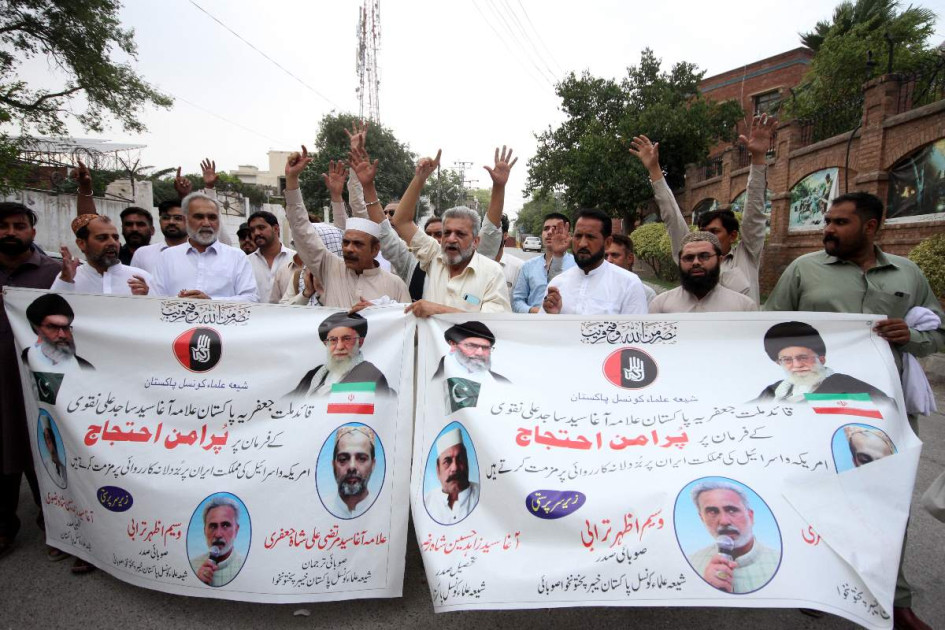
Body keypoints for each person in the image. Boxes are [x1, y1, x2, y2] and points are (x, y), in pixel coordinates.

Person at [764, 191, 945, 630]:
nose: (828, 229)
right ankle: (821, 584)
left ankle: (895, 600)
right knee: (817, 491)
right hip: (814, 407)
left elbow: (938, 332)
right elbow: (766, 327)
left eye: (840, 223)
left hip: (886, 409)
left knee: (888, 497)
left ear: (871, 227)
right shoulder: (803, 270)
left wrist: (912, 338)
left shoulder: (908, 273)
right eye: (827, 221)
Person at [629, 114, 775, 302]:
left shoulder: (746, 255)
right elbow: (672, 218)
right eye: (703, 231)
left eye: (714, 231)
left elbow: (754, 211)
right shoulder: (691, 255)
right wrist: (654, 169)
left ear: (732, 235)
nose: (706, 236)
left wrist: (758, 158)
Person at [0, 202, 61, 559]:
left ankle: (54, 524)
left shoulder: (53, 274)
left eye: (18, 226)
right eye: (4, 226)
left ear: (31, 233)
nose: (10, 233)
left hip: (41, 379)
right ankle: (4, 527)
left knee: (46, 446)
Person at [282, 148, 410, 308]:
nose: (349, 249)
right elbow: (302, 230)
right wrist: (292, 180)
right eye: (346, 242)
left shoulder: (396, 285)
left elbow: (406, 327)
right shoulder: (329, 268)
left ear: (375, 249)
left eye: (358, 244)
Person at [390, 149, 511, 316]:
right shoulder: (434, 255)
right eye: (446, 233)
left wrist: (438, 310)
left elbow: (494, 322)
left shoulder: (491, 272)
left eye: (460, 234)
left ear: (475, 242)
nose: (451, 239)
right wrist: (420, 178)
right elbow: (401, 221)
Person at [151, 191, 258, 301]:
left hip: (221, 318)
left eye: (212, 217)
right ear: (185, 220)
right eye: (199, 217)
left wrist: (210, 303)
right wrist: (181, 301)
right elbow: (154, 300)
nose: (206, 223)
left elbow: (251, 298)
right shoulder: (167, 257)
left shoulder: (237, 257)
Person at [541, 208, 647, 315]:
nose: (582, 244)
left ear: (607, 242)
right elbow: (542, 328)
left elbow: (635, 330)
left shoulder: (629, 284)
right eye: (578, 236)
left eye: (590, 237)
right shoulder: (557, 283)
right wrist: (554, 317)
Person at [754, 321, 890, 403]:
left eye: (803, 357)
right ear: (779, 363)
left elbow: (886, 410)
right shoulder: (774, 392)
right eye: (787, 360)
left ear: (821, 359)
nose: (797, 365)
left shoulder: (850, 388)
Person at [687, 480, 780, 594]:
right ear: (702, 519)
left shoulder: (779, 564)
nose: (724, 521)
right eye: (712, 512)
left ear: (750, 516)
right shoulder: (691, 563)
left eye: (731, 510)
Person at [286, 312, 390, 398]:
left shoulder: (371, 376)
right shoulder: (314, 375)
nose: (339, 347)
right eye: (333, 340)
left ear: (360, 342)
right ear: (326, 343)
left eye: (347, 339)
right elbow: (288, 404)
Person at [649, 232, 757, 313]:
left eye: (704, 256)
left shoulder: (744, 307)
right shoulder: (661, 305)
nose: (696, 262)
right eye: (689, 257)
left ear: (719, 260)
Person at [51, 215, 151, 296]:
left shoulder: (142, 278)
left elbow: (159, 317)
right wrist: (65, 282)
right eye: (102, 238)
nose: (112, 243)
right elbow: (52, 315)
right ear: (81, 244)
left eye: (115, 237)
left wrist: (144, 300)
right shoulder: (68, 277)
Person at [511, 212, 574, 313]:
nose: (549, 232)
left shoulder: (577, 266)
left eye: (555, 228)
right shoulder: (528, 266)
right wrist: (535, 311)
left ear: (567, 235)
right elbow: (516, 301)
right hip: (534, 325)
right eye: (546, 228)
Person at [22, 293, 94, 372]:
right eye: (52, 327)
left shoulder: (85, 368)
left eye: (66, 327)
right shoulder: (26, 358)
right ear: (37, 329)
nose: (62, 335)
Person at [424, 427, 479, 525]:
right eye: (447, 461)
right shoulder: (427, 503)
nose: (455, 468)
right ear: (438, 469)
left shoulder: (483, 494)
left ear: (467, 462)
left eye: (460, 459)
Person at [194, 496, 245, 587]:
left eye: (225, 525)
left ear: (236, 530)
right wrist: (196, 582)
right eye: (213, 526)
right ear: (204, 530)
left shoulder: (245, 566)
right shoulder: (193, 565)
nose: (218, 534)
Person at [432, 321, 509, 382]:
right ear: (453, 344)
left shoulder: (501, 382)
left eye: (485, 348)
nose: (480, 353)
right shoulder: (433, 378)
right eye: (472, 346)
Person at [246, 210, 295, 304]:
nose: (256, 233)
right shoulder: (246, 263)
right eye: (252, 230)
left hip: (290, 316)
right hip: (256, 317)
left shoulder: (295, 259)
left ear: (276, 229)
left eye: (261, 228)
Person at [329, 425, 377, 518]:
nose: (352, 467)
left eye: (361, 459)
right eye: (343, 459)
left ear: (373, 464)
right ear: (333, 464)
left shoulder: (384, 510)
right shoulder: (318, 511)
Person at [131, 199, 190, 273]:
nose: (171, 222)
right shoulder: (142, 254)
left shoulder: (199, 253)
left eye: (178, 218)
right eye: (166, 218)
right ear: (159, 221)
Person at [605, 233, 656, 303]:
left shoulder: (646, 294)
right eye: (605, 256)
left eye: (614, 255)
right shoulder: (594, 290)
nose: (609, 260)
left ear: (630, 258)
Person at [495, 214, 523, 303]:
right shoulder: (473, 264)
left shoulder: (519, 267)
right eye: (486, 232)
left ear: (505, 235)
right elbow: (466, 297)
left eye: (495, 233)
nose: (490, 237)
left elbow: (520, 303)